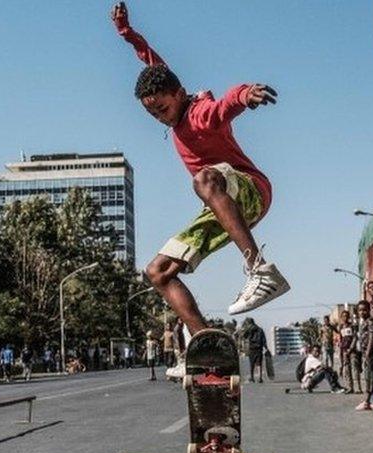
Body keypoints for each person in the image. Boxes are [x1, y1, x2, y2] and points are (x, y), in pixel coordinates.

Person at [111, 2, 290, 354]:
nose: (159, 118)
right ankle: (207, 345)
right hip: (223, 208)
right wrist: (125, 31)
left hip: (250, 188)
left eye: (161, 109)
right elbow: (148, 56)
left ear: (179, 94)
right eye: (151, 113)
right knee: (157, 271)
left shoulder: (199, 114)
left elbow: (225, 104)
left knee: (204, 180)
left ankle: (260, 270)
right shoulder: (167, 87)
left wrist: (245, 94)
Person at [355, 301, 373, 411]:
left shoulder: (370, 321)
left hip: (371, 353)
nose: (362, 312)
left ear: (369, 310)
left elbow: (372, 337)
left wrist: (367, 353)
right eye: (360, 310)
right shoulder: (362, 322)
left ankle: (367, 401)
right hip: (366, 353)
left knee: (369, 377)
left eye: (364, 310)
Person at [337, 310, 360, 393]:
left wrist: (351, 348)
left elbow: (355, 338)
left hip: (352, 350)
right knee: (347, 370)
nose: (345, 318)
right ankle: (350, 387)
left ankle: (357, 388)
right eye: (343, 316)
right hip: (344, 351)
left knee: (355, 369)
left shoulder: (352, 326)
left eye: (346, 316)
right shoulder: (340, 327)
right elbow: (339, 339)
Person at [243, 318, 268, 383]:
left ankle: (252, 377)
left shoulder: (249, 329)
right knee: (259, 363)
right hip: (259, 348)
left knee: (252, 363)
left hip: (252, 348)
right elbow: (263, 339)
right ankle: (260, 378)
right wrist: (266, 347)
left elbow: (244, 336)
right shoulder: (260, 329)